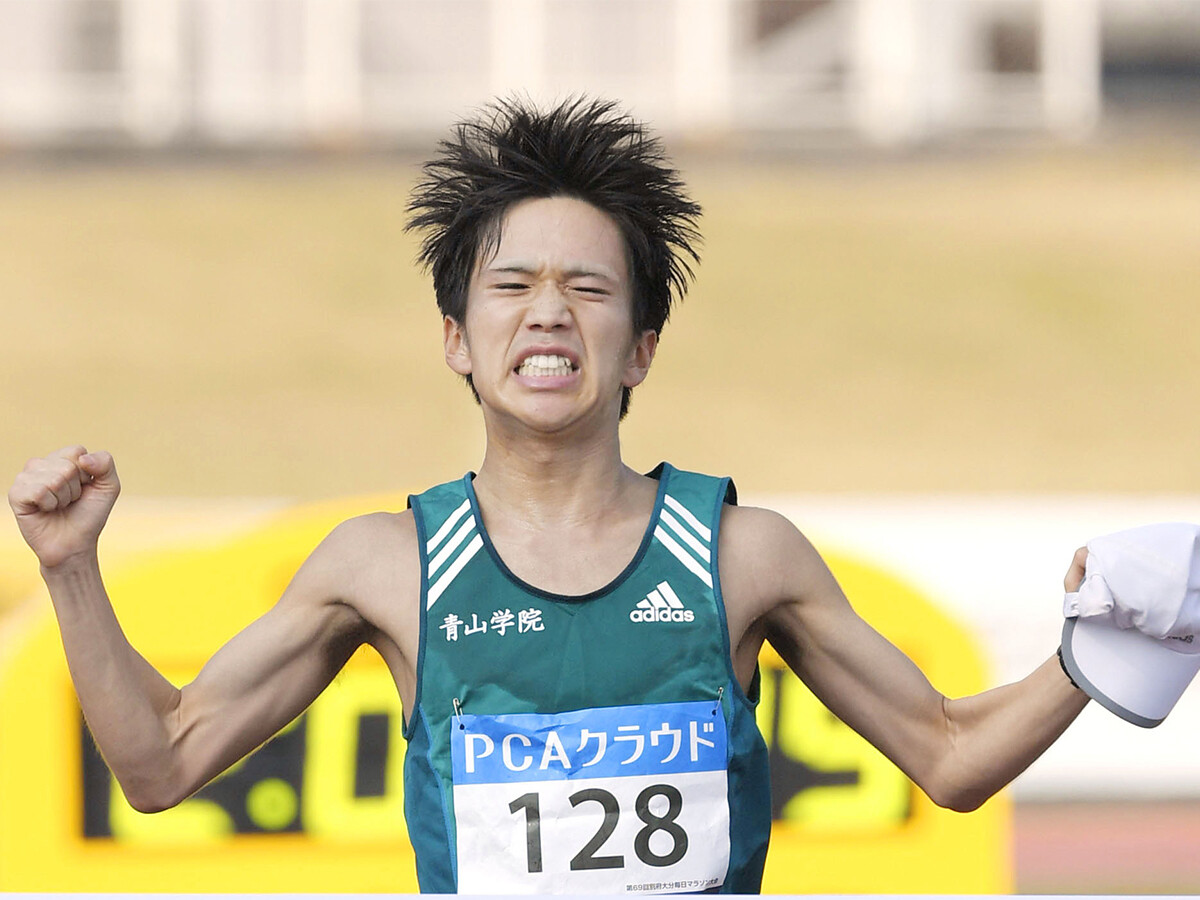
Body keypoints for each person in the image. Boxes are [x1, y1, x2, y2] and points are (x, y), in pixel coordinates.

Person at [9, 97, 1092, 894]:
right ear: (456, 341)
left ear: (641, 350)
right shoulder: (383, 565)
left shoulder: (742, 556)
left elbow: (950, 758)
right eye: (512, 287)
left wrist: (1093, 655)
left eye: (589, 289)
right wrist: (69, 566)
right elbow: (161, 763)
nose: (548, 315)